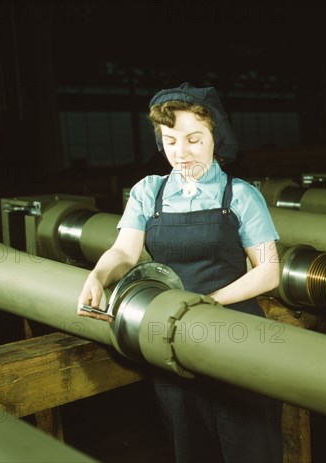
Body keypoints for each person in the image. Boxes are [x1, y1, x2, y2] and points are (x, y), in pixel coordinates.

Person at [77, 82, 284, 463]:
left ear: (215, 137)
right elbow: (125, 250)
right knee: (191, 450)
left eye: (194, 139)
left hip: (236, 337)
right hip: (170, 341)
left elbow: (269, 272)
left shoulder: (239, 195)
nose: (181, 153)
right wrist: (98, 276)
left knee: (251, 448)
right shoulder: (148, 192)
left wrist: (206, 303)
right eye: (170, 140)